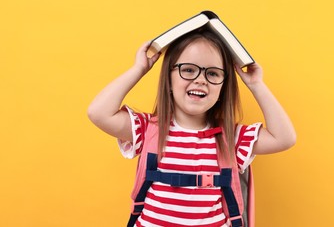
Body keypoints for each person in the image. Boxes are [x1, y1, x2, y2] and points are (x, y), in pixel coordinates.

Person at [88, 29, 296, 226]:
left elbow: (284, 138)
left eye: (213, 74)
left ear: (223, 87)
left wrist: (256, 84)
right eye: (188, 70)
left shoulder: (231, 138)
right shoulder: (148, 129)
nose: (200, 80)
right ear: (168, 79)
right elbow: (98, 113)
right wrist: (138, 69)